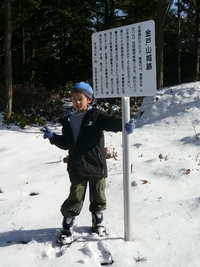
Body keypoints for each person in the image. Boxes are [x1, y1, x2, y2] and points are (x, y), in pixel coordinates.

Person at [41, 82, 134, 245]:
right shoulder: (68, 120)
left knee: (98, 195)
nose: (77, 102)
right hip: (77, 167)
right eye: (74, 98)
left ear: (89, 100)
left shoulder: (96, 116)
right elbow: (67, 143)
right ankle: (67, 227)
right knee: (75, 196)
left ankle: (97, 222)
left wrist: (125, 124)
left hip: (96, 165)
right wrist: (53, 138)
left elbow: (112, 122)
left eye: (81, 99)